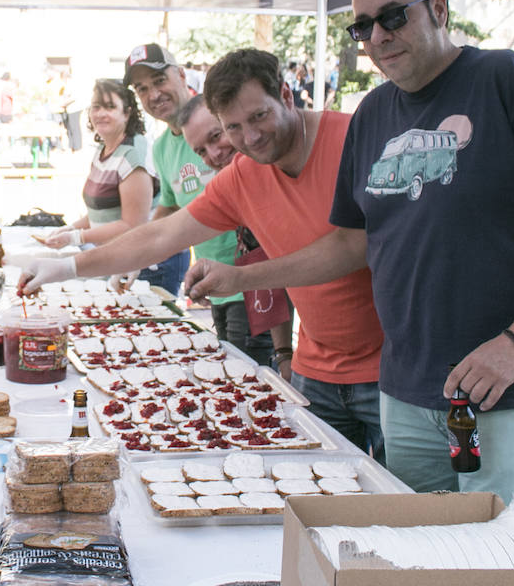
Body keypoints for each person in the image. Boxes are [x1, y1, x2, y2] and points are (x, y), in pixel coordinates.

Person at [186, 0, 514, 521]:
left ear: (438, 8)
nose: (378, 36)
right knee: (419, 558)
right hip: (409, 387)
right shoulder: (373, 114)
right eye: (362, 26)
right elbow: (349, 242)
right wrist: (242, 276)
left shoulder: (508, 79)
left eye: (394, 15)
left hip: (510, 384)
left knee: (507, 564)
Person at [23, 50, 385, 458]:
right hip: (317, 372)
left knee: (406, 510)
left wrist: (241, 279)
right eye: (232, 128)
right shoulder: (244, 174)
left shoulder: (356, 138)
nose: (249, 138)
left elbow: (353, 248)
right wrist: (66, 267)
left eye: (258, 117)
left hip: (392, 372)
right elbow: (159, 235)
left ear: (286, 94)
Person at [124, 43, 258, 360]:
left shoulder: (217, 120)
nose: (153, 95)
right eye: (142, 89)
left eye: (159, 81)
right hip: (215, 287)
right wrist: (136, 256)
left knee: (252, 380)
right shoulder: (160, 148)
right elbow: (169, 207)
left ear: (181, 75)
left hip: (254, 283)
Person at [177, 94, 294, 376]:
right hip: (246, 298)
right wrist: (284, 354)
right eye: (201, 151)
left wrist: (283, 353)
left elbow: (282, 269)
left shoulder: (274, 170)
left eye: (216, 136)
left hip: (346, 354)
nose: (214, 154)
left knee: (246, 371)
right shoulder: (235, 182)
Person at [41, 79, 173, 289]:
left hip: (146, 265)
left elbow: (132, 225)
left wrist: (75, 237)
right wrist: (69, 228)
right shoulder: (103, 148)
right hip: (118, 258)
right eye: (96, 107)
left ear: (127, 113)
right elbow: (101, 212)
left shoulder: (132, 155)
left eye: (110, 107)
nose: (101, 113)